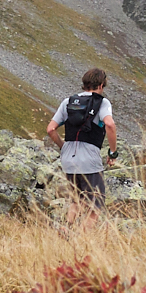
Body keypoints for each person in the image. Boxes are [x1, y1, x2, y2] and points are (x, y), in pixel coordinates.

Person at [43, 67, 117, 215]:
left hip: (68, 160)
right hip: (89, 161)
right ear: (101, 85)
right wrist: (113, 152)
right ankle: (82, 237)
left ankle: (67, 231)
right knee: (95, 207)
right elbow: (109, 124)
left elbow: (51, 129)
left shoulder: (68, 102)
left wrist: (63, 146)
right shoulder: (102, 103)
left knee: (77, 200)